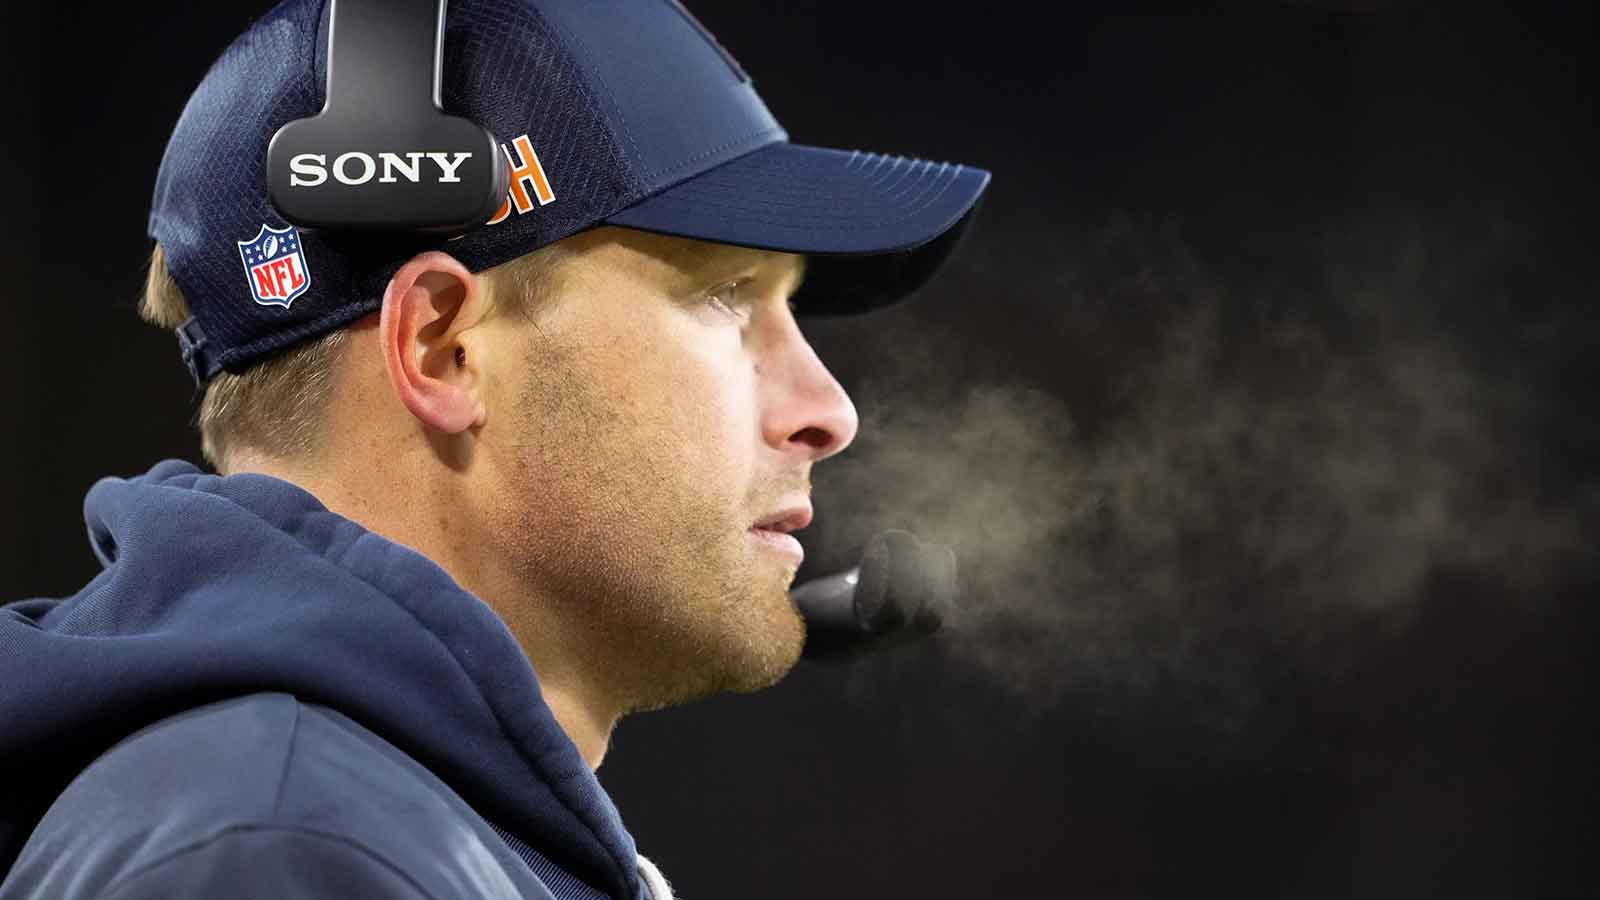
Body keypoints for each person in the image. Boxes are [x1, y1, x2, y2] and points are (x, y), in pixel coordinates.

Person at [0, 1, 989, 897]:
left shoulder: (360, 822)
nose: (827, 410)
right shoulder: (279, 851)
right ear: (443, 347)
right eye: (725, 296)